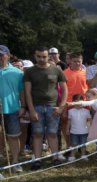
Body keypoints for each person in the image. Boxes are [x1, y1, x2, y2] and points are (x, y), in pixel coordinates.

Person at [24, 46, 68, 170]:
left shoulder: (56, 70)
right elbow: (27, 92)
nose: (42, 59)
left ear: (48, 56)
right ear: (35, 56)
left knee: (52, 133)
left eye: (44, 56)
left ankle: (55, 158)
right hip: (36, 107)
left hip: (53, 107)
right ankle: (37, 160)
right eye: (39, 56)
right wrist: (31, 110)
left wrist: (61, 107)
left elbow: (64, 90)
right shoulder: (29, 71)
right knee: (37, 133)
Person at [0, 44, 26, 172]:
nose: (0, 57)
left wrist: (23, 106)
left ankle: (15, 162)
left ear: (8, 56)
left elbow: (22, 92)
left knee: (13, 136)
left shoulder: (17, 72)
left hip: (12, 109)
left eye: (1, 55)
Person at [65, 94, 91, 161]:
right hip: (74, 131)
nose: (78, 104)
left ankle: (83, 155)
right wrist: (67, 129)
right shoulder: (70, 111)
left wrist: (90, 128)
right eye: (76, 102)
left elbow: (89, 120)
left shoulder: (87, 111)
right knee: (73, 144)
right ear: (73, 102)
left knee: (83, 144)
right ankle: (72, 156)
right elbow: (69, 121)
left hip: (84, 131)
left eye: (80, 102)